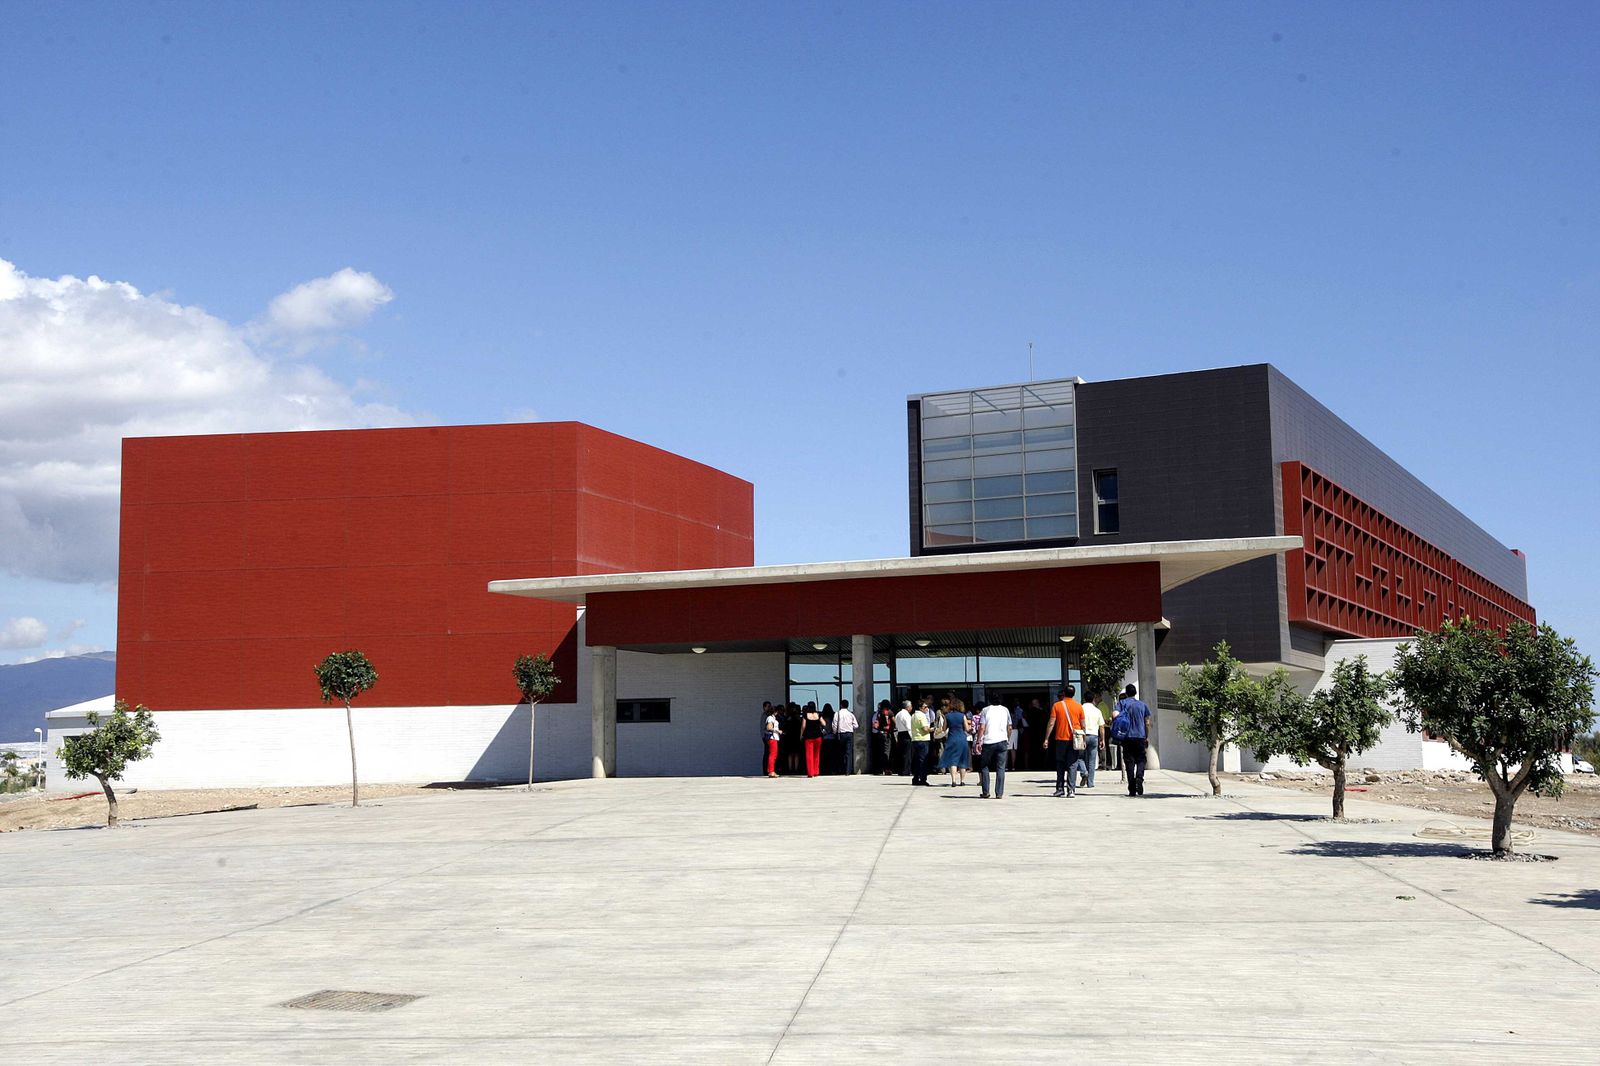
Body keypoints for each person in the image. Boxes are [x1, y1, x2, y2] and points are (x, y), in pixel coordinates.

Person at [1045, 686, 1084, 798]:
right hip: (1074, 739)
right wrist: (1084, 739)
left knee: (1060, 764)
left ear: (1064, 694)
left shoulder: (1057, 706)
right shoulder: (1079, 707)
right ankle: (1071, 790)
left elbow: (1051, 723)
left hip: (1061, 739)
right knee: (1072, 764)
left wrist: (1046, 738)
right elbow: (1083, 724)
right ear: (1074, 694)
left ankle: (1060, 789)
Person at [1116, 683, 1153, 796]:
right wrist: (1146, 736)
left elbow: (1115, 715)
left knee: (1129, 762)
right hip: (1140, 736)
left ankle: (1132, 787)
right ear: (1135, 692)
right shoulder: (1142, 705)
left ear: (1126, 693)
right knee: (1141, 760)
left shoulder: (1122, 703)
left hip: (1127, 737)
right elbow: (1147, 723)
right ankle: (1139, 779)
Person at [977, 695, 1011, 799]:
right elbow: (1009, 727)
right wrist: (1007, 738)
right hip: (1002, 740)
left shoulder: (985, 710)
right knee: (1001, 767)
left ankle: (986, 791)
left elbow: (982, 727)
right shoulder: (1005, 710)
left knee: (984, 766)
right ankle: (999, 793)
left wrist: (979, 741)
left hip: (989, 741)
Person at [938, 698, 971, 786]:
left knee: (953, 760)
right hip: (962, 739)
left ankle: (953, 780)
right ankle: (962, 781)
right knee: (962, 760)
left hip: (952, 738)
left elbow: (944, 729)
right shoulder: (962, 716)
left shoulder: (947, 716)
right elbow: (967, 729)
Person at [1076, 695, 1105, 789]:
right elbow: (1101, 726)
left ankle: (1084, 772)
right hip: (1094, 736)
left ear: (1084, 699)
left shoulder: (1080, 709)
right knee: (1092, 760)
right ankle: (1090, 782)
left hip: (1082, 735)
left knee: (1079, 757)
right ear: (1093, 699)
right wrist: (1102, 739)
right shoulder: (1097, 710)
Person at [908, 701, 933, 785]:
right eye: (925, 707)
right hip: (923, 740)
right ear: (920, 708)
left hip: (915, 739)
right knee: (923, 760)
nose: (927, 709)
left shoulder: (913, 715)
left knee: (917, 760)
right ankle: (923, 779)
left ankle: (916, 778)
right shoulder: (921, 716)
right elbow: (925, 729)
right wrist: (933, 729)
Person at [834, 699, 858, 775]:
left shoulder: (837, 714)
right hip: (849, 734)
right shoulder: (851, 714)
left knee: (840, 752)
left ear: (841, 705)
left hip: (841, 734)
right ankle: (848, 771)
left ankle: (841, 769)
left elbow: (834, 725)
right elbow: (856, 725)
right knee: (848, 752)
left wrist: (835, 732)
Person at [802, 702, 826, 778]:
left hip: (808, 737)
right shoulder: (818, 715)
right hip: (818, 737)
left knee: (809, 755)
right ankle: (816, 771)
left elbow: (803, 726)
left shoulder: (805, 715)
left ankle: (810, 773)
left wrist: (801, 735)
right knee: (817, 754)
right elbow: (824, 724)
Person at [872, 700, 896, 774]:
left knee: (880, 752)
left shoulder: (878, 713)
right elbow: (894, 722)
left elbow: (875, 725)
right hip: (887, 734)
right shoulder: (889, 712)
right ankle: (887, 769)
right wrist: (892, 728)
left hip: (880, 734)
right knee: (887, 752)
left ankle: (879, 769)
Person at [894, 700, 913, 776]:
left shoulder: (898, 714)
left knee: (901, 753)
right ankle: (906, 770)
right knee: (907, 754)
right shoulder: (906, 715)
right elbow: (909, 727)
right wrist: (912, 737)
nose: (911, 708)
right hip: (906, 734)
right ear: (907, 707)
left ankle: (901, 770)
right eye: (911, 706)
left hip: (900, 734)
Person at [761, 702, 781, 778]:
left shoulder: (772, 718)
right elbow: (769, 727)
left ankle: (772, 770)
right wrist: (777, 731)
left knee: (774, 754)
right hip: (772, 738)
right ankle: (771, 771)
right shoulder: (770, 718)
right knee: (773, 754)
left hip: (774, 738)